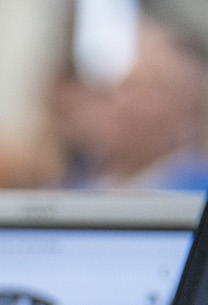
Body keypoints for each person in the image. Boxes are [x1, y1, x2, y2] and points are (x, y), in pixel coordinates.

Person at [75, 8, 208, 191]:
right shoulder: (78, 187)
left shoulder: (195, 194)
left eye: (142, 90)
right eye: (116, 88)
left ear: (186, 104)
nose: (122, 103)